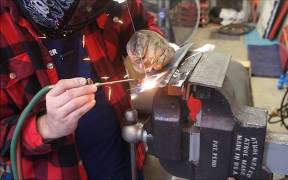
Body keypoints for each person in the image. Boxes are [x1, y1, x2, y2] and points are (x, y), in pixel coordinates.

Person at [0, 0, 175, 179]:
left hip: (124, 160)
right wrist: (47, 126)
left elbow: (142, 23)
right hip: (57, 172)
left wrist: (150, 40)